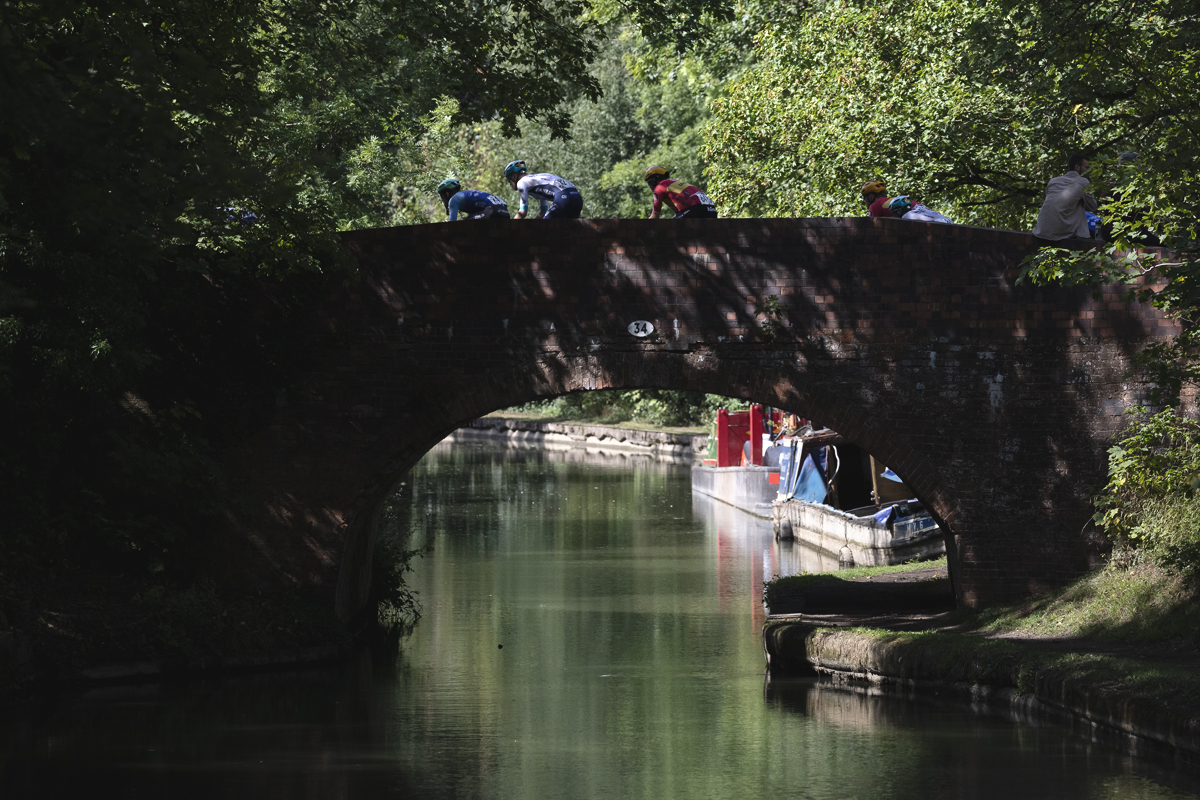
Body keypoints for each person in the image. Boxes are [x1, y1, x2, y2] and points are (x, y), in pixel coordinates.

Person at [1032, 153, 1098, 241]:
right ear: (1077, 167)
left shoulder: (1053, 181)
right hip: (1059, 233)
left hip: (1041, 230)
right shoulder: (1083, 182)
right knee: (1079, 204)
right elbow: (1093, 207)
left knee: (1077, 204)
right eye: (1086, 167)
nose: (1088, 170)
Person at [504, 160, 583, 220]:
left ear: (514, 176)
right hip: (577, 197)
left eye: (509, 180)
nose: (510, 184)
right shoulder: (537, 180)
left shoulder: (521, 182)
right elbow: (542, 212)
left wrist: (509, 229)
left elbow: (522, 212)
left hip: (563, 196)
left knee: (546, 228)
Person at [644, 165, 718, 219]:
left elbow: (654, 216)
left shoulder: (659, 187)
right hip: (711, 209)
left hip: (695, 209)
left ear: (653, 181)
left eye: (649, 183)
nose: (650, 186)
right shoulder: (675, 182)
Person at [437, 179, 509, 220]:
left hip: (492, 210)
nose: (442, 200)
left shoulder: (453, 199)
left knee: (464, 224)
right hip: (505, 212)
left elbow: (451, 225)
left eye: (442, 196)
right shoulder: (465, 197)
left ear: (446, 193)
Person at [888, 195, 954, 224]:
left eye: (893, 213)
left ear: (899, 211)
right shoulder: (918, 211)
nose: (893, 216)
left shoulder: (907, 216)